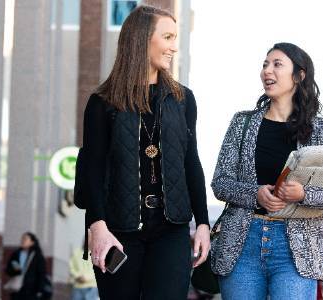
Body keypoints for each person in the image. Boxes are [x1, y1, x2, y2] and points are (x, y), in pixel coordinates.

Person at [210, 42, 323, 300]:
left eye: (277, 64)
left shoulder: (319, 130)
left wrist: (304, 194)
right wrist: (255, 194)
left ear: (299, 76)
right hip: (242, 245)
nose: (268, 70)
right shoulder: (241, 123)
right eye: (265, 64)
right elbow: (220, 183)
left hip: (297, 252)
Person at [81, 4, 210, 299]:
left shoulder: (182, 99)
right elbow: (93, 169)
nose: (173, 47)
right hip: (118, 230)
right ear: (142, 39)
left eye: (175, 38)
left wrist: (202, 222)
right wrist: (97, 226)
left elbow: (191, 162)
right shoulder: (102, 103)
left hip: (172, 230)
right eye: (167, 37)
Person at [5, 232, 49, 299]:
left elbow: (41, 274)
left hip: (31, 291)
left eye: (25, 239)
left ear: (32, 242)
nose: (22, 241)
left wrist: (39, 290)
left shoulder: (37, 256)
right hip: (17, 289)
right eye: (22, 239)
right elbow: (9, 269)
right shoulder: (16, 254)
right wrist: (16, 270)